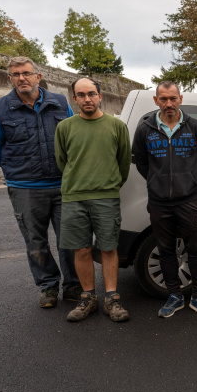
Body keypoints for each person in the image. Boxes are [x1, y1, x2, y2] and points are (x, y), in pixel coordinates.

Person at [0, 57, 81, 309]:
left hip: (62, 185)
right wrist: (18, 170)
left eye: (26, 73)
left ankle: (73, 285)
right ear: (10, 78)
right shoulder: (0, 109)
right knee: (35, 243)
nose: (21, 78)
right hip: (25, 189)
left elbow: (73, 136)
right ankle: (48, 287)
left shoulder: (60, 103)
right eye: (15, 74)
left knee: (68, 240)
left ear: (38, 76)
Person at [132, 81, 197, 319]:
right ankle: (174, 296)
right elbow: (141, 161)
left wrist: (191, 183)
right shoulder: (145, 129)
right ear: (156, 101)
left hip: (189, 200)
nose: (169, 103)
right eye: (163, 99)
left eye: (173, 98)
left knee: (196, 249)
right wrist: (155, 181)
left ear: (181, 99)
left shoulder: (196, 127)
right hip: (158, 202)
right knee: (166, 250)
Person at [55, 77, 132, 323]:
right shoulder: (65, 127)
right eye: (81, 94)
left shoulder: (116, 126)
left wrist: (109, 185)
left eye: (91, 93)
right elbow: (62, 162)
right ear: (74, 99)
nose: (87, 99)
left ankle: (112, 298)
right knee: (81, 248)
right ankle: (88, 297)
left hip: (106, 197)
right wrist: (78, 183)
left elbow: (123, 163)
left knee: (109, 247)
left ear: (100, 96)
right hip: (74, 197)